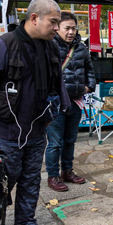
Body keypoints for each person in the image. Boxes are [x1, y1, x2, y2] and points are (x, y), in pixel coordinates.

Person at [0, 0, 69, 225]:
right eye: (53, 22)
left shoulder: (51, 47)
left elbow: (58, 85)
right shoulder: (1, 46)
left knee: (31, 178)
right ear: (34, 18)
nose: (57, 28)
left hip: (36, 130)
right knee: (0, 177)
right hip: (4, 132)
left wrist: (57, 111)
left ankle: (26, 220)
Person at [45, 11, 95, 192]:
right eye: (67, 28)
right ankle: (53, 176)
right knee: (55, 142)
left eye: (74, 28)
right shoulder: (48, 46)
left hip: (75, 101)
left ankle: (67, 171)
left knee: (70, 140)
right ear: (58, 28)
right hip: (56, 103)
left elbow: (89, 69)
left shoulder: (81, 48)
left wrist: (89, 86)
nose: (71, 32)